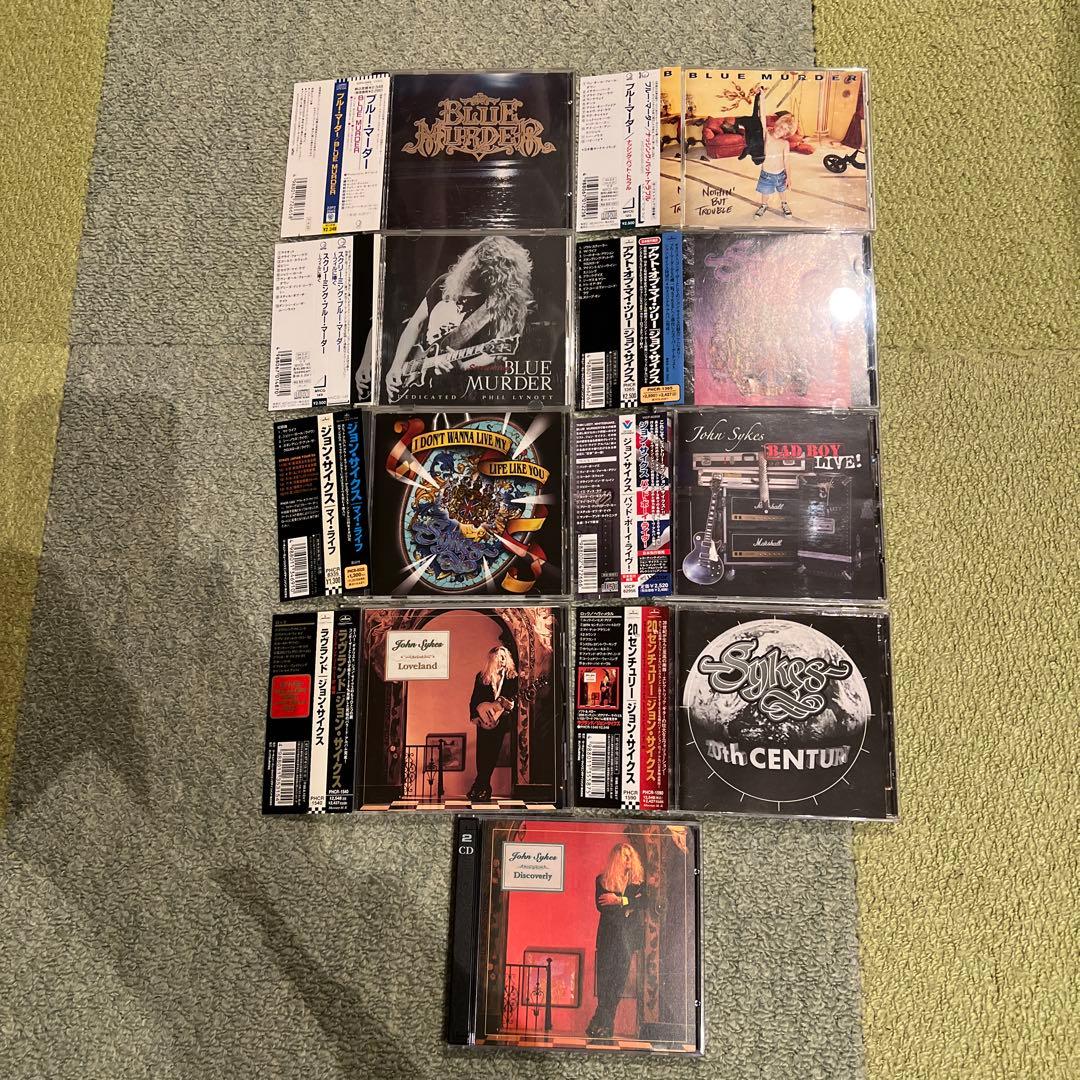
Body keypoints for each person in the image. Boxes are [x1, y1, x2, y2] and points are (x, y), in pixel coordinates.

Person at [384, 236, 532, 400]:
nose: (474, 274)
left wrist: (463, 366)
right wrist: (396, 366)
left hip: (457, 390)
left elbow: (494, 354)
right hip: (416, 378)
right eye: (475, 266)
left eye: (484, 272)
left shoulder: (498, 304)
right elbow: (415, 324)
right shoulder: (444, 282)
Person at [586, 842, 647, 1039]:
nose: (629, 859)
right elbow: (602, 907)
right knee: (605, 981)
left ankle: (600, 1023)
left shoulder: (639, 882)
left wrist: (619, 900)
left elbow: (644, 901)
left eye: (630, 855)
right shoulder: (601, 880)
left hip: (628, 940)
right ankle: (604, 1024)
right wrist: (628, 907)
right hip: (608, 938)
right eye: (624, 856)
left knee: (618, 982)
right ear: (616, 859)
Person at [466, 645, 519, 802]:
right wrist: (475, 717)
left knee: (492, 754)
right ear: (492, 659)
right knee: (482, 754)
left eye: (504, 656)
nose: (502, 659)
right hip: (484, 720)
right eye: (499, 656)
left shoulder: (512, 677)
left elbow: (514, 700)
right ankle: (482, 788)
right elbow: (474, 700)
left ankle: (480, 787)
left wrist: (511, 705)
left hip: (501, 721)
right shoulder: (482, 677)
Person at [751, 87, 799, 219]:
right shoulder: (766, 134)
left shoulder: (785, 144)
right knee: (764, 192)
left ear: (787, 133)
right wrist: (762, 97)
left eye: (785, 129)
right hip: (766, 173)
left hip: (780, 174)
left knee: (782, 191)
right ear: (777, 124)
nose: (781, 130)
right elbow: (762, 117)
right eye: (781, 126)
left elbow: (786, 161)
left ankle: (784, 203)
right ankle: (763, 205)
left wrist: (789, 177)